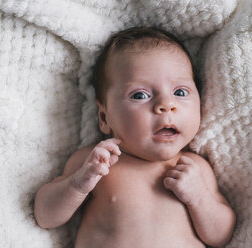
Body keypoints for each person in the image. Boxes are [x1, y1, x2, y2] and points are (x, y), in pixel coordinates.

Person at [34, 27, 236, 248]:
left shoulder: (194, 168)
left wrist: (199, 198)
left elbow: (220, 236)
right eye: (140, 95)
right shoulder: (96, 163)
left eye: (180, 92)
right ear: (104, 117)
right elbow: (45, 216)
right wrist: (77, 185)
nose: (166, 105)